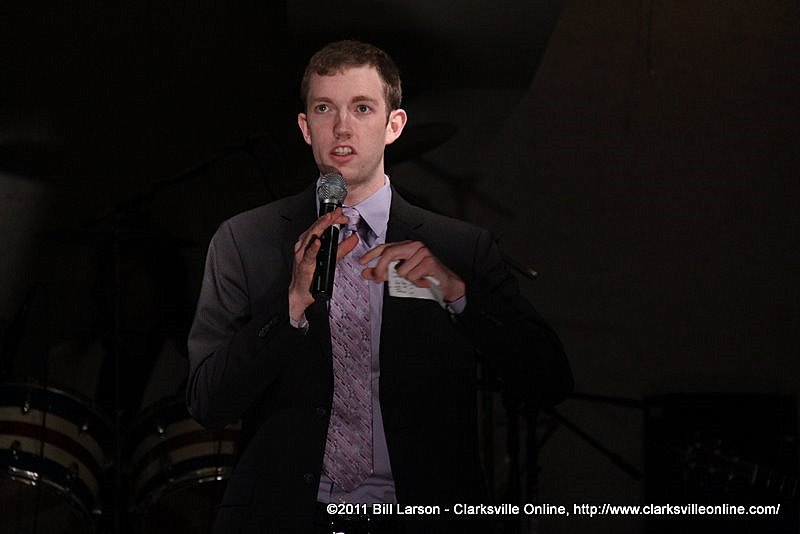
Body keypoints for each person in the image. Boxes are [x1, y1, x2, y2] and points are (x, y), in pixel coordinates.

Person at [187, 40, 572, 533]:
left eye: (362, 108)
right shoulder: (246, 240)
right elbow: (207, 403)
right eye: (324, 109)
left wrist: (458, 295)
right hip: (286, 516)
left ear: (394, 125)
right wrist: (290, 305)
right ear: (305, 127)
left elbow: (549, 380)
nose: (341, 127)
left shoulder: (459, 248)